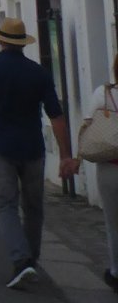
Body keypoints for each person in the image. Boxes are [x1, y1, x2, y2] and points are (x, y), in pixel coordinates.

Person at [0, 17, 77, 290]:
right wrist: (65, 154)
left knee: (6, 205)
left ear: (1, 41)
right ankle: (32, 258)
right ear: (22, 43)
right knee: (34, 207)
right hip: (32, 148)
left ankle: (21, 261)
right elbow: (56, 115)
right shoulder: (39, 73)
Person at [95, 55, 118, 294]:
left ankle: (116, 271)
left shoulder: (103, 95)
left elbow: (89, 124)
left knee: (113, 223)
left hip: (112, 164)